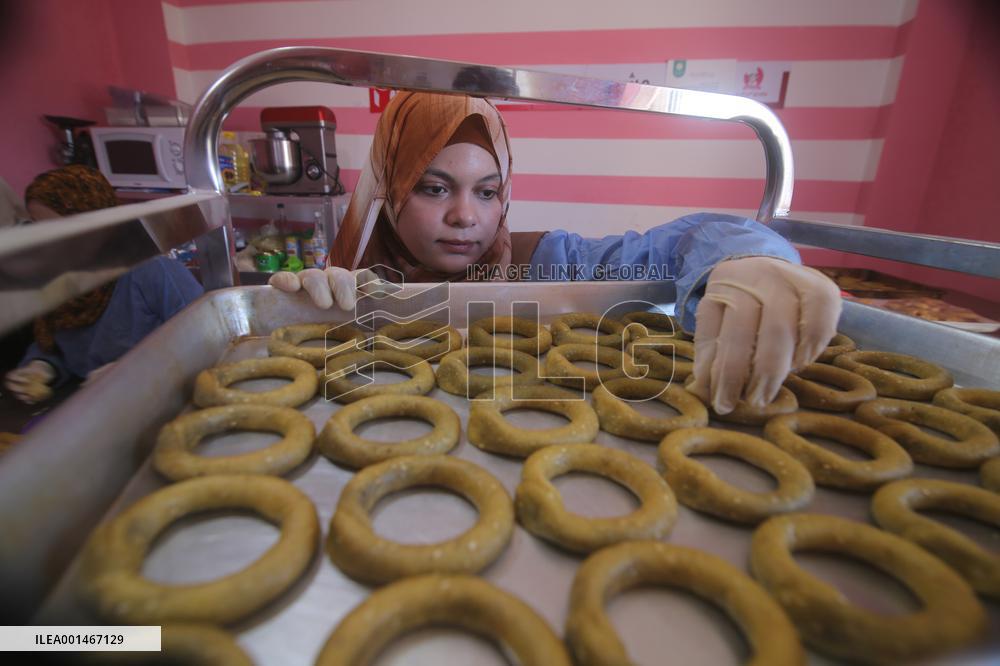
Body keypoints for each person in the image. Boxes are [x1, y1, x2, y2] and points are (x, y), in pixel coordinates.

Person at [270, 92, 841, 415]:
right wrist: (303, 310)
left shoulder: (547, 264)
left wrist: (747, 258)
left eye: (488, 191)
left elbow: (676, 247)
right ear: (389, 190)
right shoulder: (357, 289)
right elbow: (300, 325)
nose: (466, 217)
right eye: (433, 187)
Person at [2, 166, 204, 405]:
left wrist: (137, 369)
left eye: (59, 228)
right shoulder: (56, 280)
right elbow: (56, 345)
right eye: (37, 226)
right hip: (93, 405)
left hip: (158, 400)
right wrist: (42, 367)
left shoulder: (152, 271)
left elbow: (202, 337)